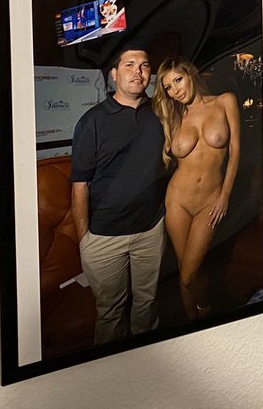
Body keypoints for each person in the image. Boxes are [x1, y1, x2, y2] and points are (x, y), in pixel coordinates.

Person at [70, 48, 166, 344]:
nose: (138, 71)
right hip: (104, 237)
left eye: (144, 66)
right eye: (129, 65)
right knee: (110, 314)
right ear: (114, 75)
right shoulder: (92, 121)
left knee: (147, 304)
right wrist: (85, 240)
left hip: (150, 230)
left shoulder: (161, 114)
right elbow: (80, 185)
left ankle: (146, 362)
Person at [152, 58, 241, 319]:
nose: (175, 90)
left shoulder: (225, 101)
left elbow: (235, 150)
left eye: (178, 80)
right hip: (177, 201)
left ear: (190, 74)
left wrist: (225, 195)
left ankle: (205, 309)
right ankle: (194, 322)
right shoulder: (173, 116)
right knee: (185, 271)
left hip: (210, 201)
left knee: (189, 275)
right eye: (168, 87)